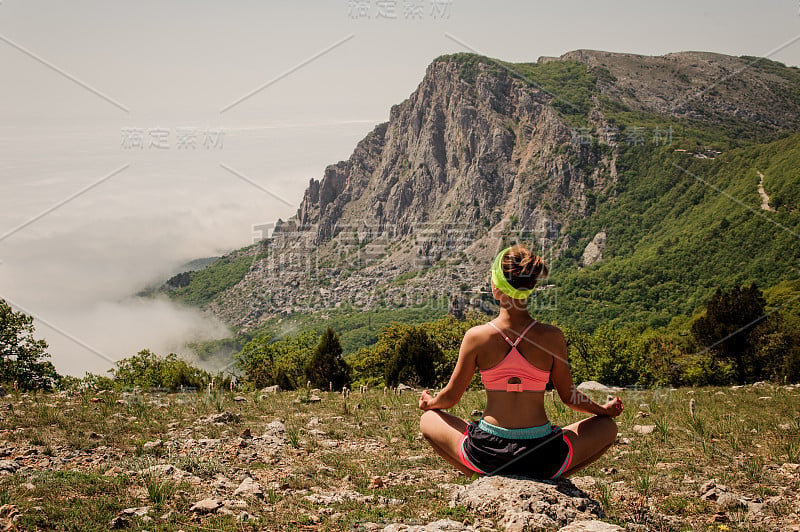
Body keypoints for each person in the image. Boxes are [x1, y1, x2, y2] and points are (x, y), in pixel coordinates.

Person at [419, 245, 622, 479]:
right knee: (607, 427)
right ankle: (549, 478)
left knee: (429, 420)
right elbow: (569, 396)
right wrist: (602, 410)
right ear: (530, 287)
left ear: (496, 287)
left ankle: (483, 476)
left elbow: (451, 397)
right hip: (543, 452)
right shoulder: (552, 337)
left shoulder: (477, 337)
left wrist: (430, 402)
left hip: (487, 453)